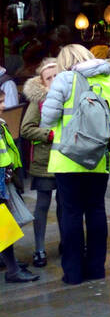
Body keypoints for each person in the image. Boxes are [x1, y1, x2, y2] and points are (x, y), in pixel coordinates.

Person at [40, 43, 110, 284]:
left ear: (66, 62)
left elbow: (47, 119)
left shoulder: (66, 79)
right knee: (96, 210)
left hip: (68, 158)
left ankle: (74, 273)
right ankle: (97, 268)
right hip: (101, 158)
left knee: (71, 214)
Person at [20, 57, 58, 267]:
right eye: (48, 77)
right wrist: (48, 134)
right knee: (43, 204)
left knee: (66, 203)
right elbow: (26, 129)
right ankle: (39, 248)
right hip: (44, 161)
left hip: (66, 158)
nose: (53, 80)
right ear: (42, 82)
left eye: (56, 76)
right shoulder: (38, 100)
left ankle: (67, 242)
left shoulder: (69, 96)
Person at [0, 84, 37, 283]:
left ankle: (9, 263)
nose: (4, 106)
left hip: (4, 177)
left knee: (4, 223)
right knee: (4, 225)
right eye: (0, 102)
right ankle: (12, 269)